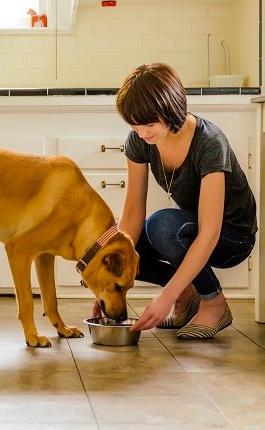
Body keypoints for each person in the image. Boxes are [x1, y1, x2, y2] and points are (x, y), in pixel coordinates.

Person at [105, 63, 257, 339]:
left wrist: (165, 295)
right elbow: (132, 213)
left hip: (232, 237)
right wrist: (110, 283)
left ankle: (214, 304)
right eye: (134, 126)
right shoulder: (140, 140)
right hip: (190, 229)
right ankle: (187, 296)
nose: (142, 133)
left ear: (170, 109)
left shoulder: (209, 142)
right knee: (120, 249)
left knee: (162, 226)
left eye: (149, 124)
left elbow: (210, 231)